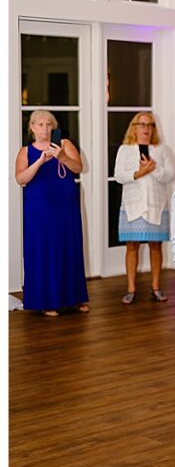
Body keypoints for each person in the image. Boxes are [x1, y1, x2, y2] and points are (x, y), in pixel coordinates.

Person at [14, 110, 89, 317]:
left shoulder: (64, 144)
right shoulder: (25, 151)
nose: (45, 128)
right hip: (39, 210)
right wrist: (40, 161)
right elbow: (21, 179)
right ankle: (48, 301)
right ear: (32, 128)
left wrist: (61, 156)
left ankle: (74, 298)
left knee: (69, 247)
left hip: (65, 207)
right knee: (44, 251)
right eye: (40, 124)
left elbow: (78, 167)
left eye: (49, 124)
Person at [114, 111, 175, 303]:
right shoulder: (125, 149)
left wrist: (153, 168)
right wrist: (139, 173)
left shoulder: (162, 149)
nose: (146, 128)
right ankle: (131, 288)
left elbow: (169, 176)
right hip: (133, 205)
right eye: (142, 124)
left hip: (157, 205)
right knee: (131, 246)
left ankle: (156, 287)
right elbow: (119, 176)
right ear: (134, 127)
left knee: (155, 246)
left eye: (150, 125)